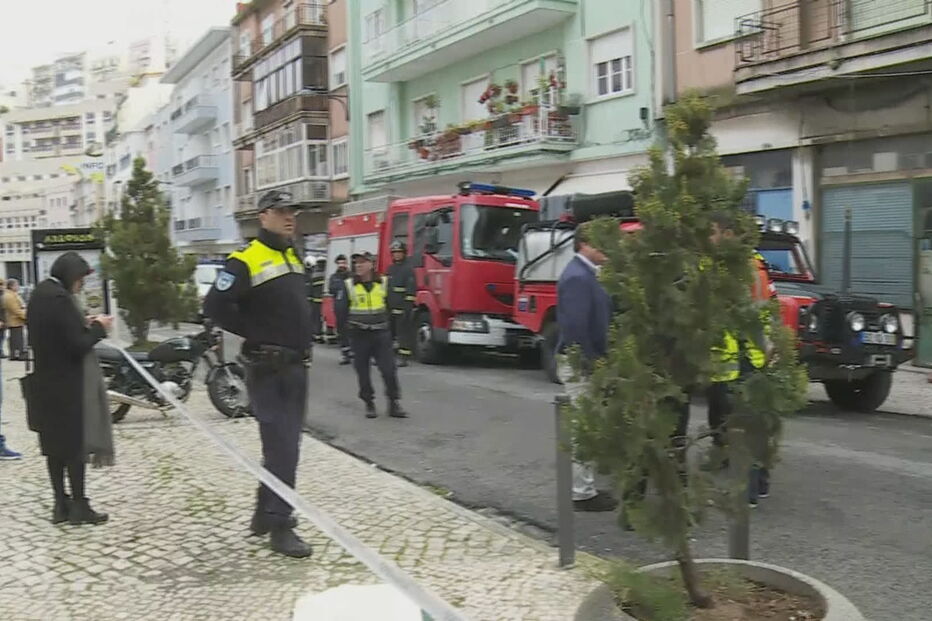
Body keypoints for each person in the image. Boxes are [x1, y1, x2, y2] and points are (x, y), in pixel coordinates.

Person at [204, 189, 314, 558]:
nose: (290, 217)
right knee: (283, 448)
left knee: (284, 447)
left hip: (296, 365)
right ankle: (280, 526)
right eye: (282, 211)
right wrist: (254, 331)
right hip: (269, 367)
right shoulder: (245, 260)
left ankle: (263, 514)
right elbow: (215, 305)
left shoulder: (293, 256)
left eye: (292, 211)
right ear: (262, 216)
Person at [26, 252, 114, 524]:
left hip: (44, 384)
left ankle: (59, 505)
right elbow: (77, 345)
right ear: (69, 274)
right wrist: (99, 327)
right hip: (68, 386)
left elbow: (56, 334)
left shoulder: (41, 294)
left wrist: (81, 325)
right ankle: (79, 507)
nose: (81, 286)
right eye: (79, 280)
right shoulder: (61, 300)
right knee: (74, 448)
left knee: (54, 448)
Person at [556, 223, 618, 512]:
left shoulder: (588, 275)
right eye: (600, 243)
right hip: (581, 364)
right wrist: (594, 364)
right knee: (584, 426)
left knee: (589, 424)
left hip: (587, 362)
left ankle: (586, 485)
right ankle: (582, 492)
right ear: (583, 244)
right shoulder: (578, 278)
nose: (607, 248)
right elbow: (576, 329)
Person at [344, 252, 408, 419]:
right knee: (363, 372)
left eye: (362, 263)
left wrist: (393, 334)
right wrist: (346, 336)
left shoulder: (383, 283)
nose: (358, 266)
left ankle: (394, 403)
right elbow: (341, 312)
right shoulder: (349, 285)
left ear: (371, 265)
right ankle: (369, 403)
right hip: (359, 335)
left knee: (389, 370)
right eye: (356, 263)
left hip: (381, 334)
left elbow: (392, 308)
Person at [385, 240, 416, 367]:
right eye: (395, 253)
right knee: (387, 334)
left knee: (403, 334)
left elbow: (410, 290)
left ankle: (403, 357)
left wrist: (407, 308)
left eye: (399, 252)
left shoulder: (408, 270)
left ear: (404, 254)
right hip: (390, 308)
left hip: (402, 308)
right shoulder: (390, 269)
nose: (397, 255)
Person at [328, 254, 352, 365]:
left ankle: (354, 351)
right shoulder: (334, 277)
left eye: (344, 262)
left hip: (352, 307)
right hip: (340, 308)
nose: (342, 265)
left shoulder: (352, 276)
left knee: (353, 330)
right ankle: (345, 354)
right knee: (342, 331)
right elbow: (331, 290)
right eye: (340, 263)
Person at [5, 278, 27, 360]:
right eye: (16, 285)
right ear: (11, 286)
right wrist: (25, 315)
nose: (18, 287)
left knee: (16, 338)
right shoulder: (10, 297)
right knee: (17, 339)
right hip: (15, 321)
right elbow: (15, 310)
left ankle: (15, 354)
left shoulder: (13, 295)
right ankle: (19, 354)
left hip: (17, 320)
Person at [307, 258, 327, 344]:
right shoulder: (327, 274)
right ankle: (321, 335)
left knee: (316, 319)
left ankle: (317, 335)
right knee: (324, 318)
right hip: (325, 300)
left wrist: (309, 299)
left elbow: (310, 288)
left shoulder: (314, 275)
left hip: (315, 301)